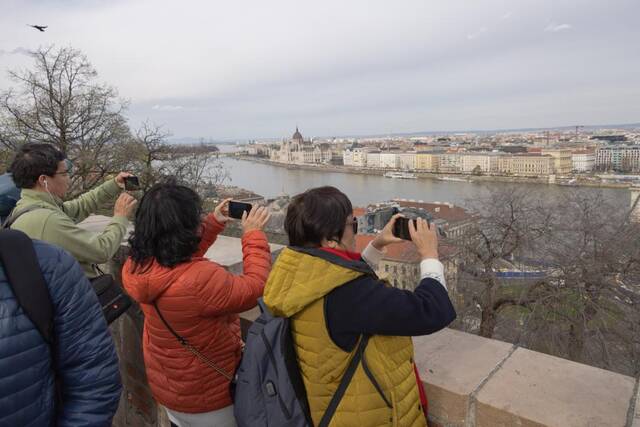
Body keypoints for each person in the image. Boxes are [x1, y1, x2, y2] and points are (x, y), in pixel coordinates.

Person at [262, 186, 457, 427]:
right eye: (352, 225)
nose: (355, 230)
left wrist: (376, 245)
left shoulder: (296, 273)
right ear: (330, 240)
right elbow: (432, 310)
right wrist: (429, 254)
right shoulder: (348, 295)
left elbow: (335, 277)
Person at [122, 180, 272, 427]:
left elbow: (176, 260)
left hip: (170, 388)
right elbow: (255, 286)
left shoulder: (137, 265)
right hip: (210, 396)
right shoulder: (198, 279)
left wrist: (213, 223)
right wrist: (254, 235)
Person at [0, 230, 122, 426]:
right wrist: (120, 219)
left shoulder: (36, 224)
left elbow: (93, 380)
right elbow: (100, 251)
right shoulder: (50, 227)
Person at [7, 143, 137, 277]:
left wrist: (114, 185)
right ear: (43, 180)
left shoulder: (31, 206)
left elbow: (80, 206)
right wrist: (120, 217)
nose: (69, 178)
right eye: (64, 174)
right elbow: (101, 250)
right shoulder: (47, 220)